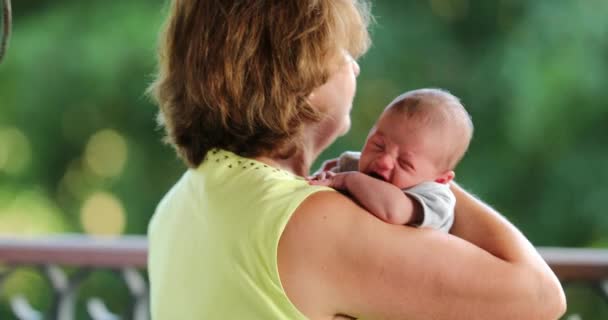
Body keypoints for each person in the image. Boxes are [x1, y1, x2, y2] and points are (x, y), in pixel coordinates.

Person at [146, 1, 566, 319]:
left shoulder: (178, 202)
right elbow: (540, 298)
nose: (356, 68)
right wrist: (424, 172)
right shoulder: (311, 221)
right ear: (300, 79)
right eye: (344, 53)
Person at [309, 88, 473, 233]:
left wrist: (346, 180)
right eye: (378, 146)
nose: (383, 161)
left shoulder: (436, 198)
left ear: (441, 179)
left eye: (404, 163)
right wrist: (323, 178)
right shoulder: (351, 165)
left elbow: (393, 211)